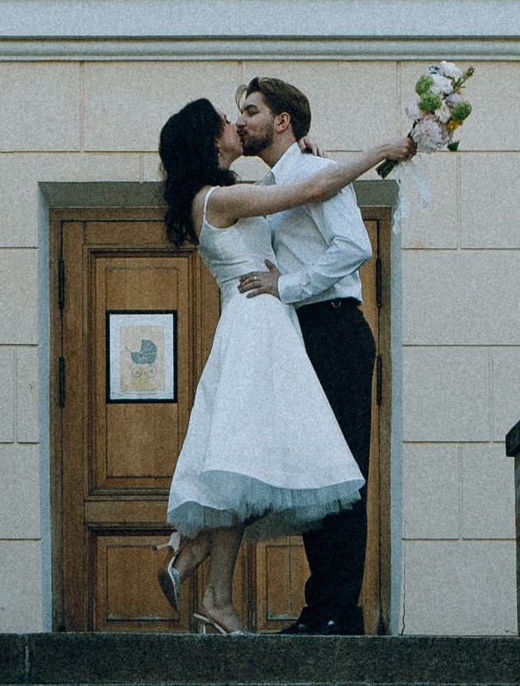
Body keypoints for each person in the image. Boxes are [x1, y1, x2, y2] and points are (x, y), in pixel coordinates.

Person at [154, 97, 412, 636]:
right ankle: (208, 577)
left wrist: (304, 155)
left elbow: (304, 185)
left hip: (265, 327)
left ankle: (205, 573)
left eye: (245, 112)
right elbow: (311, 190)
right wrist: (381, 150)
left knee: (251, 461)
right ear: (209, 141)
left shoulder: (224, 195)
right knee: (252, 460)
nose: (236, 124)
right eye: (227, 120)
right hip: (258, 327)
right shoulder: (221, 199)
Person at [232, 76, 380, 636]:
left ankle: (340, 610)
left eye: (251, 111)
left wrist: (286, 286)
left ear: (282, 121)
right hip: (300, 334)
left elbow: (355, 247)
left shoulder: (319, 173)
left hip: (334, 330)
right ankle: (323, 607)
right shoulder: (278, 183)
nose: (242, 121)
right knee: (317, 470)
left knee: (343, 473)